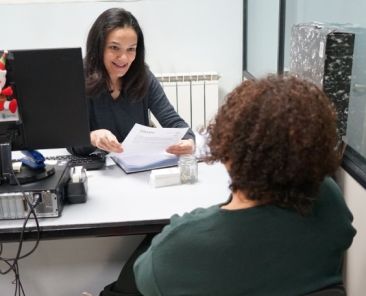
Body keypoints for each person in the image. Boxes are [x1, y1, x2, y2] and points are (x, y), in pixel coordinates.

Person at [130, 75, 357, 295]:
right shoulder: (329, 201)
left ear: (228, 151)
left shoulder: (181, 245)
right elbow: (343, 232)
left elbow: (146, 278)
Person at [69, 8, 194, 157]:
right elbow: (71, 144)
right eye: (114, 48)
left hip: (135, 168)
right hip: (98, 172)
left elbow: (176, 124)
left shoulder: (144, 77)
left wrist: (188, 141)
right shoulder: (78, 77)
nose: (124, 58)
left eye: (131, 49)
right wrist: (93, 138)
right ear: (98, 47)